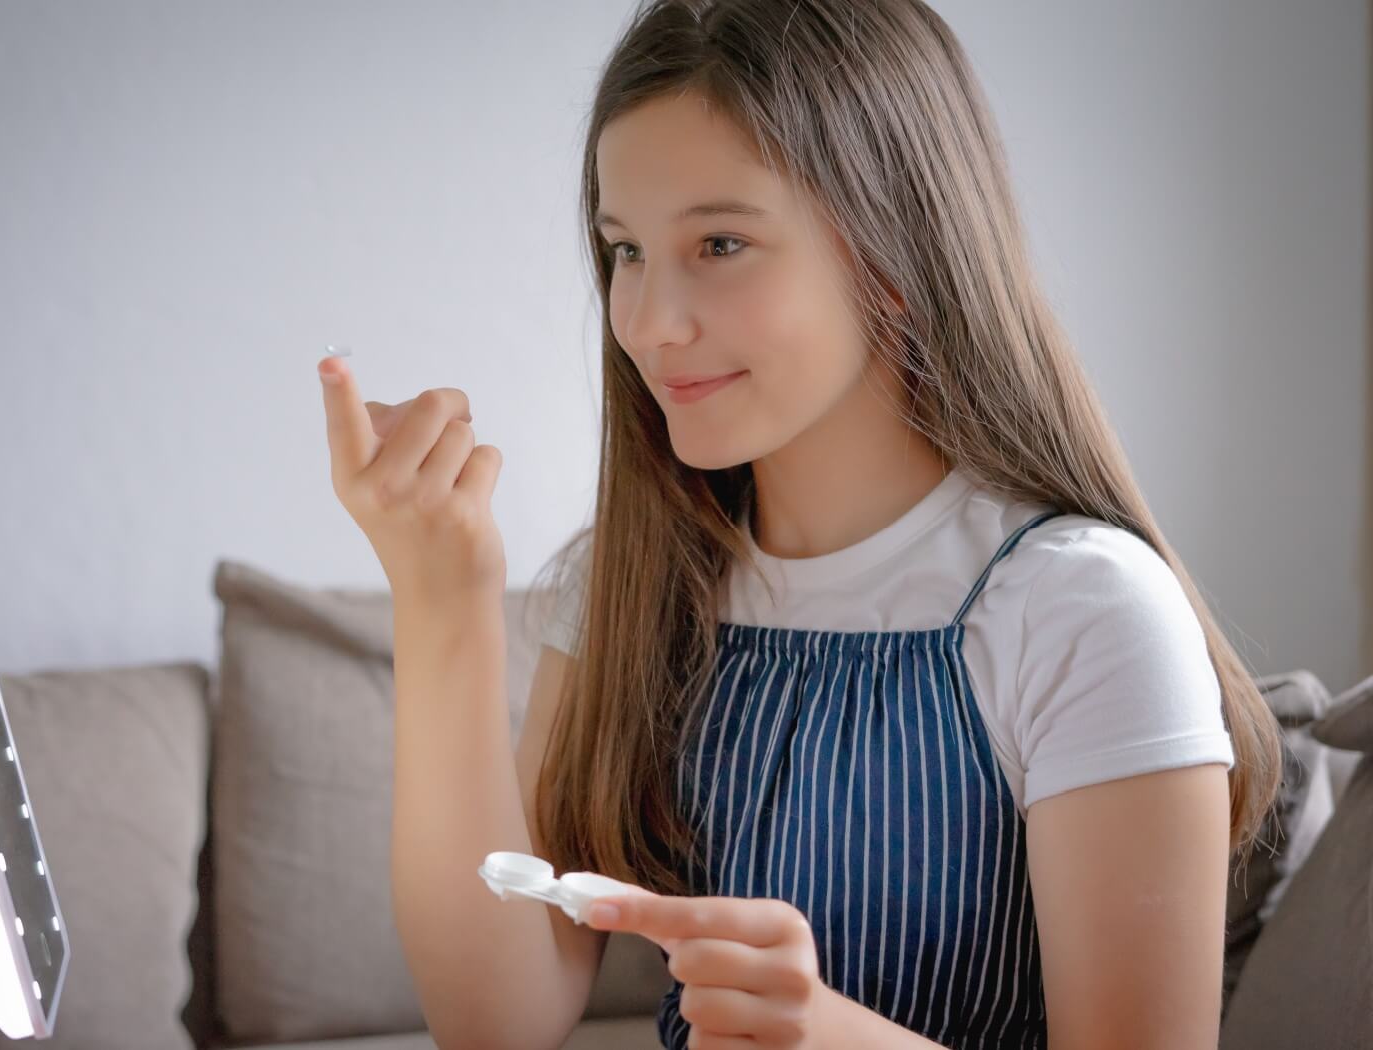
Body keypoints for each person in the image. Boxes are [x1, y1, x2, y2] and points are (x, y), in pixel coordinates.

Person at [317, 1, 1282, 1047]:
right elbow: (492, 1023)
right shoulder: (627, 584)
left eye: (719, 243)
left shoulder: (1081, 609)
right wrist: (441, 602)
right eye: (626, 250)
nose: (643, 323)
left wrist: (826, 1033)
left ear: (895, 249)